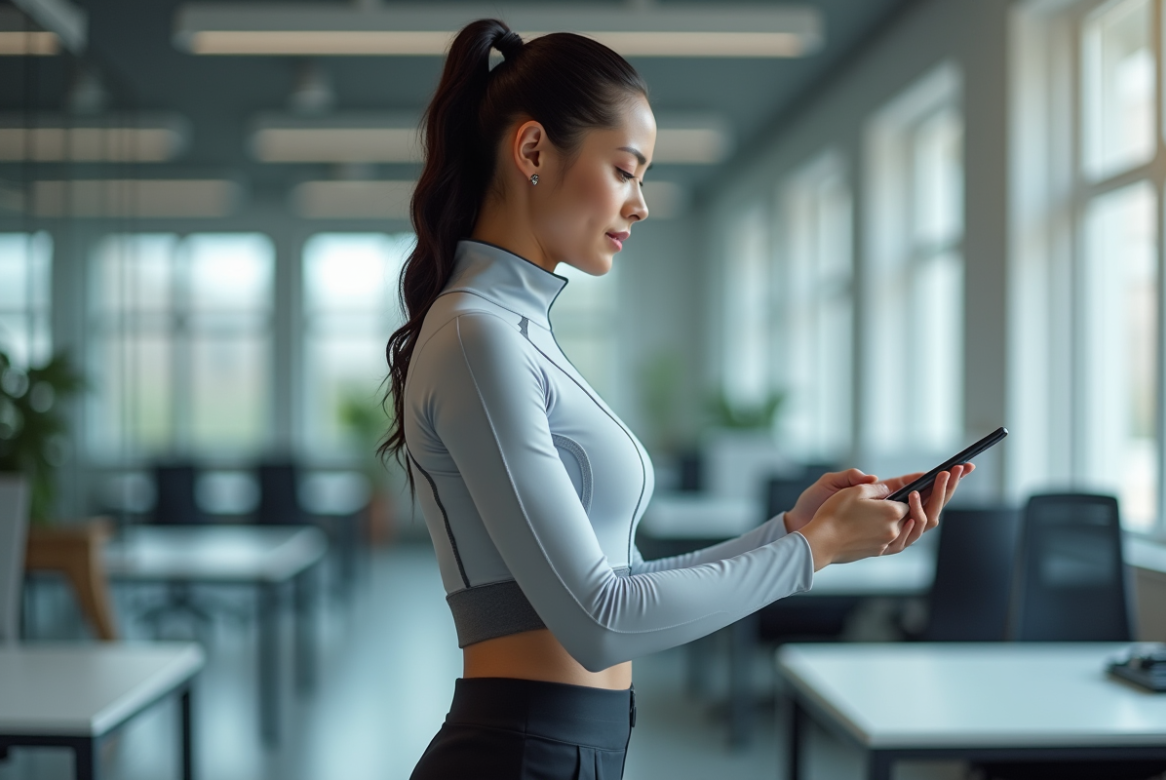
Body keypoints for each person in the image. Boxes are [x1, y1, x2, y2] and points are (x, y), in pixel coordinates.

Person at [379, 18, 973, 780]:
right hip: (521, 750)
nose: (641, 204)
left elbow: (618, 584)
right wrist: (811, 552)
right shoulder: (477, 339)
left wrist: (794, 530)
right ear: (533, 151)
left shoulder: (516, 331)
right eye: (625, 171)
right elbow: (597, 622)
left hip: (566, 742)